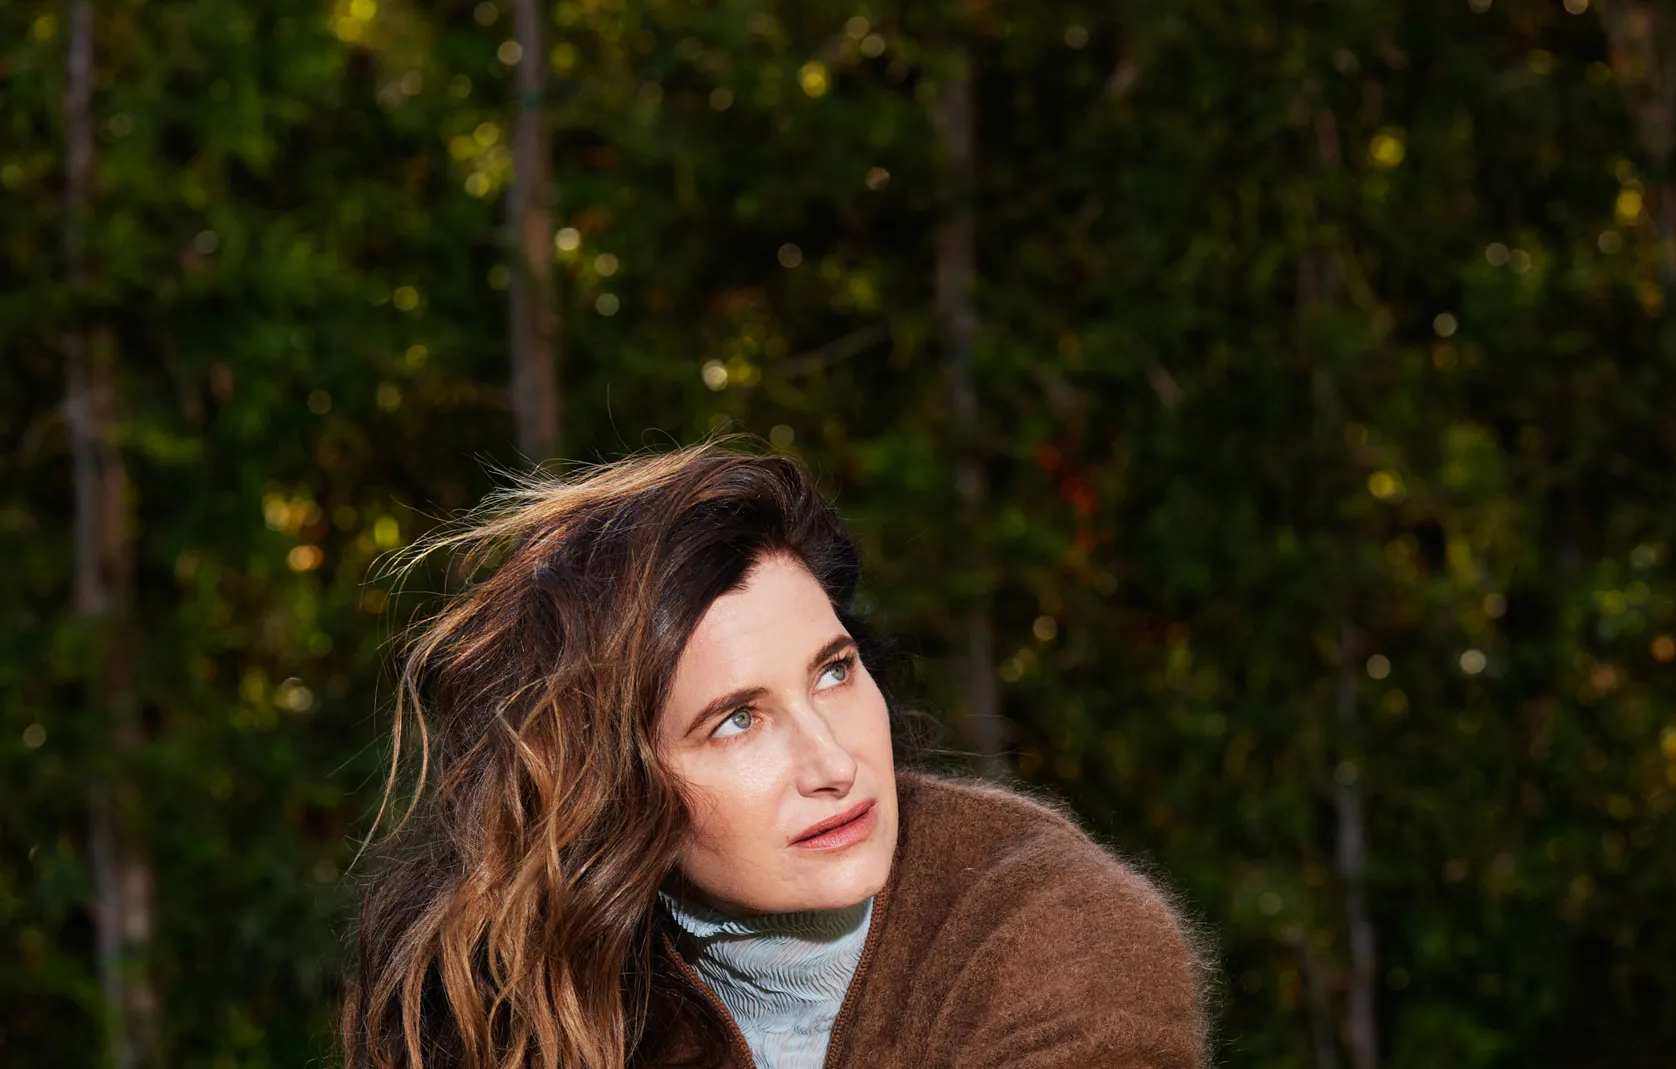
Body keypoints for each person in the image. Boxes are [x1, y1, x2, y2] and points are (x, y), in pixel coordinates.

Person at [342, 441, 1210, 1069]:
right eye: (735, 720)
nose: (831, 759)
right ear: (609, 787)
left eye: (834, 671)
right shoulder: (516, 1001)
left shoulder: (1044, 921)